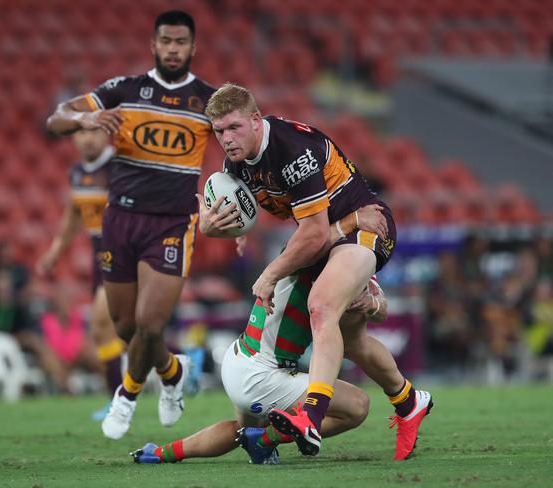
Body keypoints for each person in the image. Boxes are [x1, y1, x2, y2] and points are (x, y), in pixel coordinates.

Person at [197, 83, 433, 460]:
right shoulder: (236, 165)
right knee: (351, 339)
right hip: (329, 239)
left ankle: (311, 415)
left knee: (322, 307)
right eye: (219, 130)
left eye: (234, 127)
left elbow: (313, 234)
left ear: (256, 121)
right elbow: (236, 222)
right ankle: (409, 402)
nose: (226, 138)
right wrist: (212, 227)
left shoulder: (292, 151)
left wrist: (271, 273)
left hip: (365, 229)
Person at [46, 10, 216, 439]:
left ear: (193, 47)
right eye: (166, 41)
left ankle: (125, 397)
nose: (173, 49)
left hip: (172, 223)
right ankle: (174, 372)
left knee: (150, 324)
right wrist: (85, 119)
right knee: (125, 327)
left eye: (180, 42)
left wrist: (237, 210)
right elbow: (57, 117)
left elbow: (245, 142)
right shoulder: (122, 90)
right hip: (120, 219)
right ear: (153, 45)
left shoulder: (208, 101)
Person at [132, 208, 385, 464]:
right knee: (358, 406)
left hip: (241, 360)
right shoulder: (311, 250)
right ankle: (266, 439)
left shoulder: (332, 256)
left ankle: (159, 453)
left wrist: (371, 302)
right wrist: (353, 220)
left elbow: (380, 307)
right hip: (261, 374)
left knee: (242, 432)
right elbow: (319, 240)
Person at [36, 128, 125, 419]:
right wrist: (54, 252)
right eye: (81, 132)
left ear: (107, 134)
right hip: (98, 255)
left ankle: (119, 402)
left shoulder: (119, 167)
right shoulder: (76, 173)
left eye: (95, 131)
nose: (87, 138)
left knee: (103, 325)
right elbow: (73, 215)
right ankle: (179, 361)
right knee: (123, 331)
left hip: (123, 253)